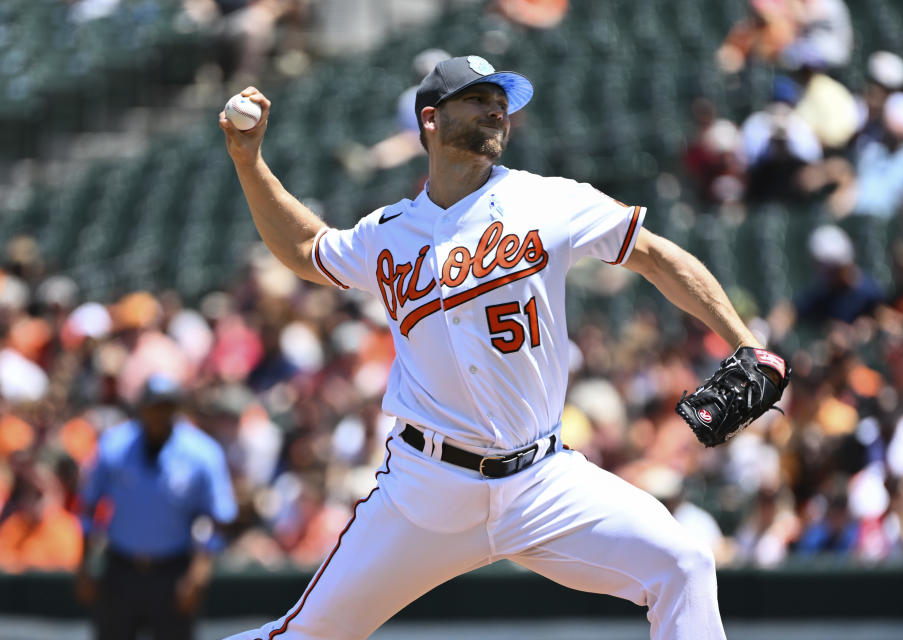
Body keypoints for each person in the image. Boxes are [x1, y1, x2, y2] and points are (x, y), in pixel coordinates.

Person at [219, 54, 775, 640]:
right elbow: (307, 248)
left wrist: (745, 342)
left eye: (501, 102)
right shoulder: (388, 233)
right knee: (306, 634)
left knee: (683, 565)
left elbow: (654, 255)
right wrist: (248, 160)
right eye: (478, 99)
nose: (496, 110)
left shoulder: (547, 201)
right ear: (430, 119)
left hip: (543, 481)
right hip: (427, 491)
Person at [76, 374, 238, 640]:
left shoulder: (202, 452)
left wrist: (198, 574)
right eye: (154, 406)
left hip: (172, 572)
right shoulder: (115, 445)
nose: (159, 414)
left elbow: (219, 518)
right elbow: (88, 506)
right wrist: (83, 566)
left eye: (166, 407)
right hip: (120, 569)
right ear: (142, 407)